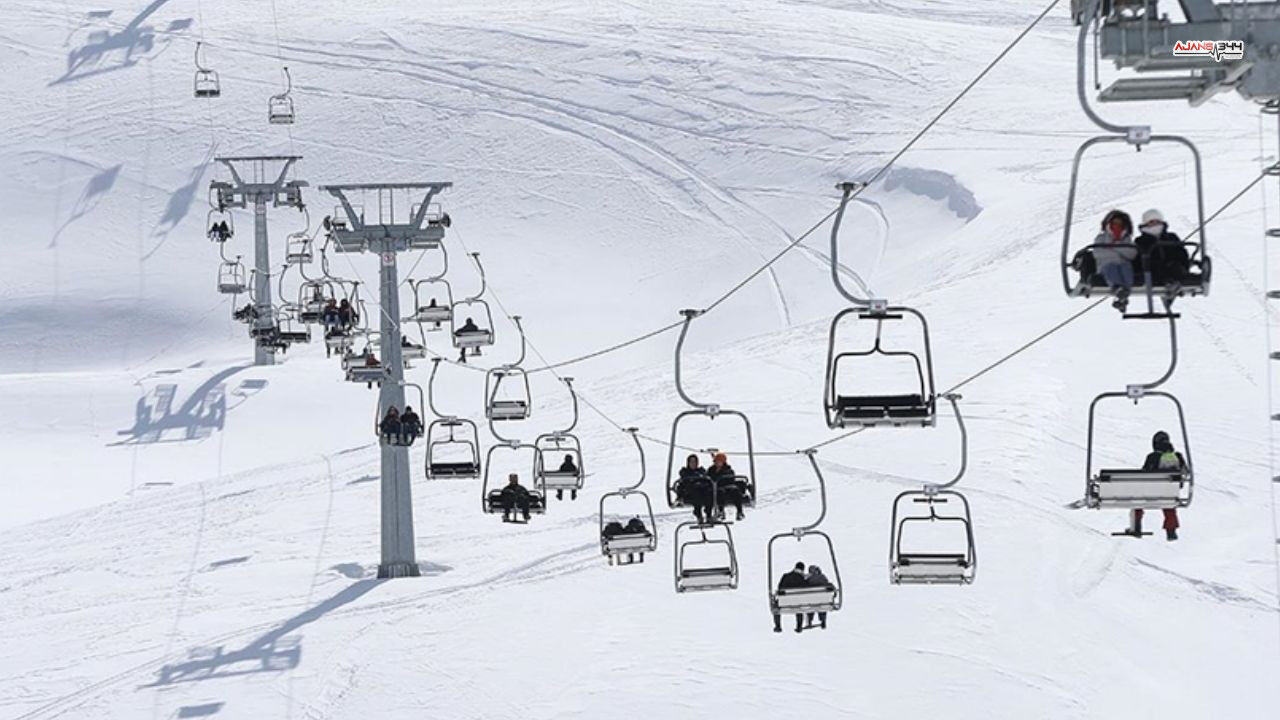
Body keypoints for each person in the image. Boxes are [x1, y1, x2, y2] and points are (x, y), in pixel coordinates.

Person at [1122, 430, 1187, 541]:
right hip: (1169, 492)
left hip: (1150, 492)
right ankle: (1171, 530)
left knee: (1137, 498)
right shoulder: (1178, 456)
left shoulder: (1153, 457)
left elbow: (1144, 474)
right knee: (1169, 503)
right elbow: (1185, 472)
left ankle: (1136, 526)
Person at [1134, 208, 1191, 294]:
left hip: (1171, 265)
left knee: (1175, 267)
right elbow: (1138, 258)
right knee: (1156, 269)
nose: (1155, 224)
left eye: (1157, 221)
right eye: (1151, 222)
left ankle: (1174, 283)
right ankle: (1169, 283)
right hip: (1152, 268)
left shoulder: (1171, 237)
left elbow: (1181, 253)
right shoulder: (1141, 240)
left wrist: (1182, 263)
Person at [1092, 209, 1137, 312]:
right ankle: (1117, 288)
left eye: (1120, 224)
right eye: (1115, 223)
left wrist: (1113, 247)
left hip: (1123, 264)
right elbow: (1098, 253)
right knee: (1111, 268)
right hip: (1105, 265)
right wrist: (1120, 251)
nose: (1117, 226)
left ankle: (1124, 292)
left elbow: (1132, 253)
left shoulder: (1126, 239)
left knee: (1126, 268)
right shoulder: (1101, 238)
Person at [675, 454, 714, 524]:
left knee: (708, 491)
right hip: (690, 493)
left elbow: (707, 480)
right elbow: (683, 484)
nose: (693, 464)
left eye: (695, 462)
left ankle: (708, 514)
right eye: (691, 462)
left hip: (702, 491)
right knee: (696, 491)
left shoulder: (701, 471)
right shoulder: (685, 472)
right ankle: (698, 514)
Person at [708, 452, 746, 521]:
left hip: (727, 488)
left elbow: (730, 479)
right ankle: (720, 511)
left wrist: (721, 478)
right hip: (716, 488)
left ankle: (739, 511)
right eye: (716, 461)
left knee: (735, 490)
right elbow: (709, 478)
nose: (717, 463)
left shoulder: (728, 470)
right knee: (719, 492)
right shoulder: (711, 470)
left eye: (719, 461)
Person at [773, 562, 809, 633]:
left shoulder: (785, 576)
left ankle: (778, 626)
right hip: (798, 602)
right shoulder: (802, 578)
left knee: (776, 605)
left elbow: (780, 587)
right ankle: (799, 626)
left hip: (784, 602)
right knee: (799, 606)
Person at [804, 565, 832, 630]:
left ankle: (810, 620)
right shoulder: (822, 577)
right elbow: (828, 585)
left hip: (811, 599)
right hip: (822, 599)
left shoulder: (808, 579)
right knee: (822, 604)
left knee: (810, 604)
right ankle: (823, 620)